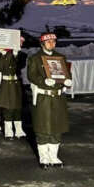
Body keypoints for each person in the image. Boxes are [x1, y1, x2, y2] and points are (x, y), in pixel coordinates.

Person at [27, 33, 72, 169]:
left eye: (53, 41)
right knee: (43, 127)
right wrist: (43, 81)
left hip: (58, 97)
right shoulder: (35, 59)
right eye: (49, 42)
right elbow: (31, 76)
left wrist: (67, 82)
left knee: (56, 127)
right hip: (44, 97)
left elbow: (66, 74)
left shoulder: (61, 58)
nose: (52, 44)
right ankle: (44, 157)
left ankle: (54, 156)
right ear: (42, 43)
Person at [0, 48, 26, 140]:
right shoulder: (1, 55)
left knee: (18, 107)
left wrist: (15, 54)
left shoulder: (22, 55)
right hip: (6, 83)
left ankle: (18, 130)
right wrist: (4, 55)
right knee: (7, 107)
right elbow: (0, 67)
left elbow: (20, 66)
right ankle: (8, 131)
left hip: (16, 83)